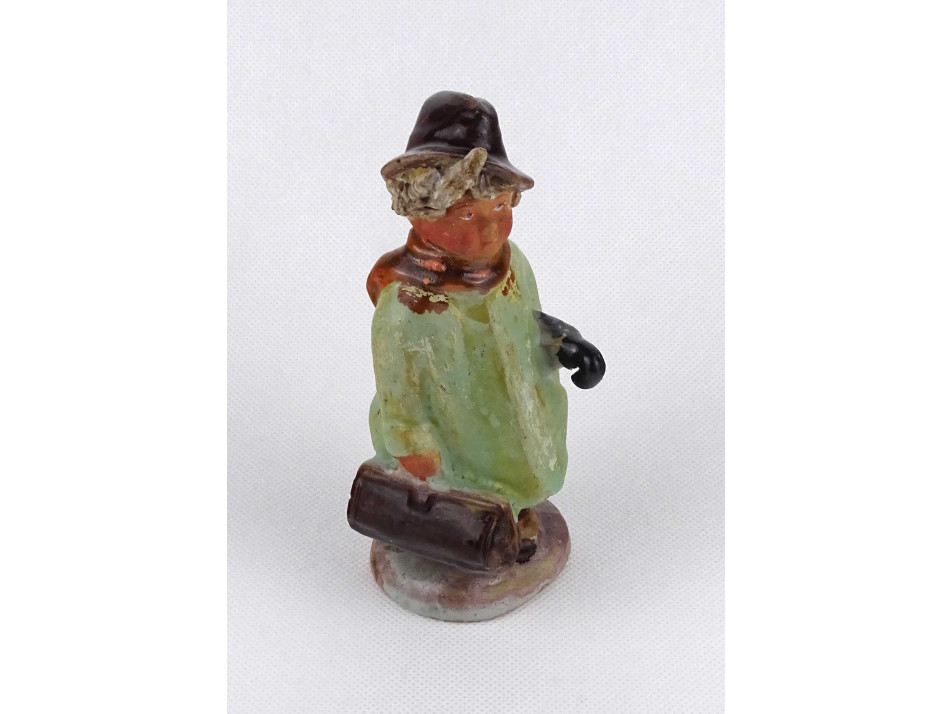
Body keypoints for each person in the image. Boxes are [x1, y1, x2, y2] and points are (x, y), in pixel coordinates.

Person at [365, 91, 604, 520]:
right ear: (420, 212)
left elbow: (524, 320)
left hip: (520, 420)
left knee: (529, 473)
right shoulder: (407, 303)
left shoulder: (512, 265)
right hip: (460, 447)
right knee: (481, 497)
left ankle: (519, 510)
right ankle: (485, 526)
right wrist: (413, 450)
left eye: (499, 206)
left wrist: (562, 342)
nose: (490, 228)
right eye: (466, 215)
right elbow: (398, 389)